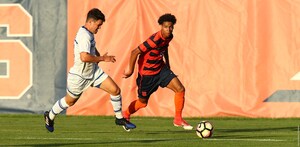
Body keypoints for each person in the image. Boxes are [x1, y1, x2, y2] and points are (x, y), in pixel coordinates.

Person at [44, 8, 136, 132]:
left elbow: (92, 49)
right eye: (98, 25)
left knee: (115, 90)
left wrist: (98, 56)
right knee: (70, 102)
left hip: (93, 72)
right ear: (91, 22)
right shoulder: (84, 36)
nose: (99, 28)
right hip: (79, 77)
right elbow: (84, 57)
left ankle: (119, 118)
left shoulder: (89, 34)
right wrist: (103, 58)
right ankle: (49, 116)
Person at [123, 13, 193, 130]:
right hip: (147, 75)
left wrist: (168, 64)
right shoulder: (154, 40)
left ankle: (178, 119)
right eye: (166, 27)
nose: (169, 29)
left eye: (171, 27)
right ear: (161, 26)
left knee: (180, 89)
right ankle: (125, 114)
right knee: (143, 103)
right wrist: (130, 70)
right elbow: (134, 52)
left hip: (161, 69)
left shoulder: (169, 36)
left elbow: (164, 48)